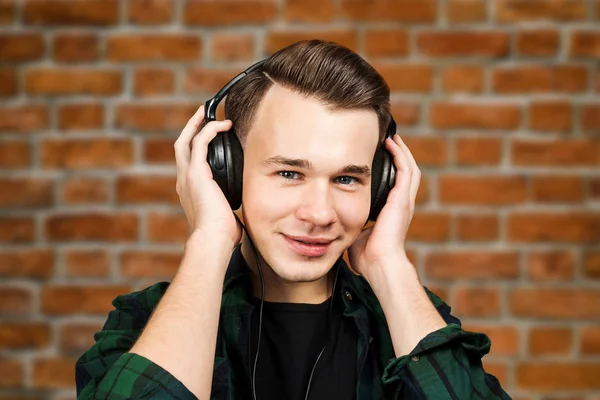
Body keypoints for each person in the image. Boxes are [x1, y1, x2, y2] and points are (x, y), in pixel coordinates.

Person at [75, 40, 511, 400]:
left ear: (381, 188)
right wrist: (209, 240)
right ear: (225, 171)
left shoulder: (411, 319)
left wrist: (388, 265)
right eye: (289, 173)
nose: (320, 214)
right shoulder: (145, 322)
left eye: (346, 178)